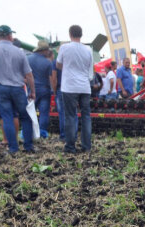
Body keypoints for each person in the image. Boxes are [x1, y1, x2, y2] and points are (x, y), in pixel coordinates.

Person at [0, 25, 35, 154]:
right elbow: (29, 75)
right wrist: (33, 91)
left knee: (7, 117)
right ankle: (28, 146)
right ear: (10, 36)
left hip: (0, 88)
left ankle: (13, 148)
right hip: (17, 88)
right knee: (25, 117)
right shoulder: (19, 52)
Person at [57, 24, 93, 154]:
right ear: (81, 34)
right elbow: (90, 69)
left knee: (71, 116)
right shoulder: (88, 49)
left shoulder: (64, 47)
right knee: (86, 116)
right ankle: (86, 146)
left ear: (70, 34)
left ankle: (70, 147)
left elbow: (58, 64)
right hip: (85, 87)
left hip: (69, 87)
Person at [27, 40, 56, 138]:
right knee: (44, 113)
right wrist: (54, 91)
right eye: (48, 50)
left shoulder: (28, 59)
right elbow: (51, 79)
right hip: (44, 90)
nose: (48, 52)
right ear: (44, 50)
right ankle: (42, 133)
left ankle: (29, 132)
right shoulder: (48, 63)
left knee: (30, 112)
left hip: (31, 90)